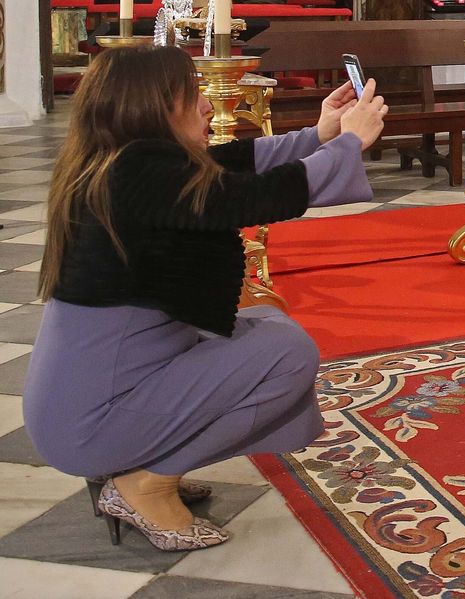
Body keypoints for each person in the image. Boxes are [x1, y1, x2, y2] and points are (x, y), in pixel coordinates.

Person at [24, 45, 386, 551]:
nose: (207, 106)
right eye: (192, 95)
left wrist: (322, 134)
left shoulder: (119, 163)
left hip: (89, 405)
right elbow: (240, 196)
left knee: (267, 326)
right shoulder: (137, 174)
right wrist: (346, 147)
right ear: (153, 105)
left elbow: (228, 166)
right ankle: (145, 481)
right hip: (91, 421)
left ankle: (140, 463)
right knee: (286, 355)